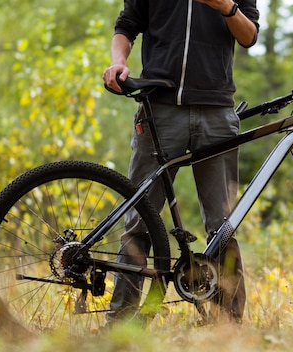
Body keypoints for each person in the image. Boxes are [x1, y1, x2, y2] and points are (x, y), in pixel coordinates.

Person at [102, 0, 260, 324]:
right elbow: (127, 24)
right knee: (139, 221)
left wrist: (227, 7)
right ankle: (121, 323)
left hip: (216, 111)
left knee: (223, 227)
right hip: (159, 108)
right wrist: (118, 62)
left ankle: (227, 324)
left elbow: (249, 36)